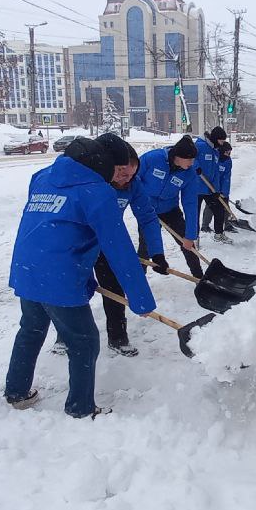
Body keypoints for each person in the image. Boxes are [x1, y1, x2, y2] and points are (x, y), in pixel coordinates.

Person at [3, 137, 157, 418]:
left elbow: (55, 228)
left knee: (31, 329)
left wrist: (83, 274)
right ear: (106, 163)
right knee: (84, 341)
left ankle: (16, 390)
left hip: (28, 269)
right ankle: (81, 408)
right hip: (59, 278)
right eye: (119, 169)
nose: (121, 177)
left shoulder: (43, 176)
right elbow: (119, 250)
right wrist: (141, 299)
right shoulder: (98, 193)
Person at [91, 133, 169, 357]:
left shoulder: (133, 185)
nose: (127, 178)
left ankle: (117, 337)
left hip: (109, 243)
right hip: (83, 245)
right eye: (123, 173)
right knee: (75, 291)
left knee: (114, 288)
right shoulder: (93, 184)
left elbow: (147, 217)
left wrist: (157, 253)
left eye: (132, 174)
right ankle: (64, 335)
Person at [135, 135, 203, 277]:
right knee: (145, 247)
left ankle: (199, 277)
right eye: (190, 159)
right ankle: (138, 280)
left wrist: (190, 236)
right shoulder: (152, 159)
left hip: (171, 210)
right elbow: (134, 179)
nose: (192, 163)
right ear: (178, 156)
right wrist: (140, 202)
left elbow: (190, 203)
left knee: (188, 246)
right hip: (148, 211)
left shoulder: (189, 174)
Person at [194, 127, 230, 243]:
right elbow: (191, 157)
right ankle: (195, 238)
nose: (222, 143)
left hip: (209, 188)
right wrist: (196, 167)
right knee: (194, 215)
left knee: (219, 210)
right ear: (215, 138)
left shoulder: (215, 150)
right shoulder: (200, 145)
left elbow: (216, 173)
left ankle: (219, 234)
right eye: (221, 141)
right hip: (195, 187)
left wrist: (217, 190)